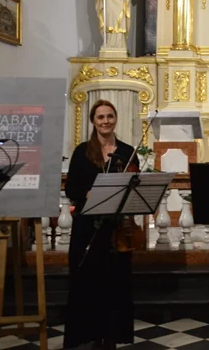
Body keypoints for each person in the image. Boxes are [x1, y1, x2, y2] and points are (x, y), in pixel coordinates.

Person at [64, 100, 138, 350]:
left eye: (109, 116)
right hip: (88, 229)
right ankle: (90, 337)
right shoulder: (82, 151)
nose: (105, 121)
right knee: (89, 283)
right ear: (93, 121)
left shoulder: (128, 151)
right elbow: (71, 187)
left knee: (116, 285)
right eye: (100, 117)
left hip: (116, 229)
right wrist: (91, 194)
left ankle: (112, 337)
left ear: (115, 119)